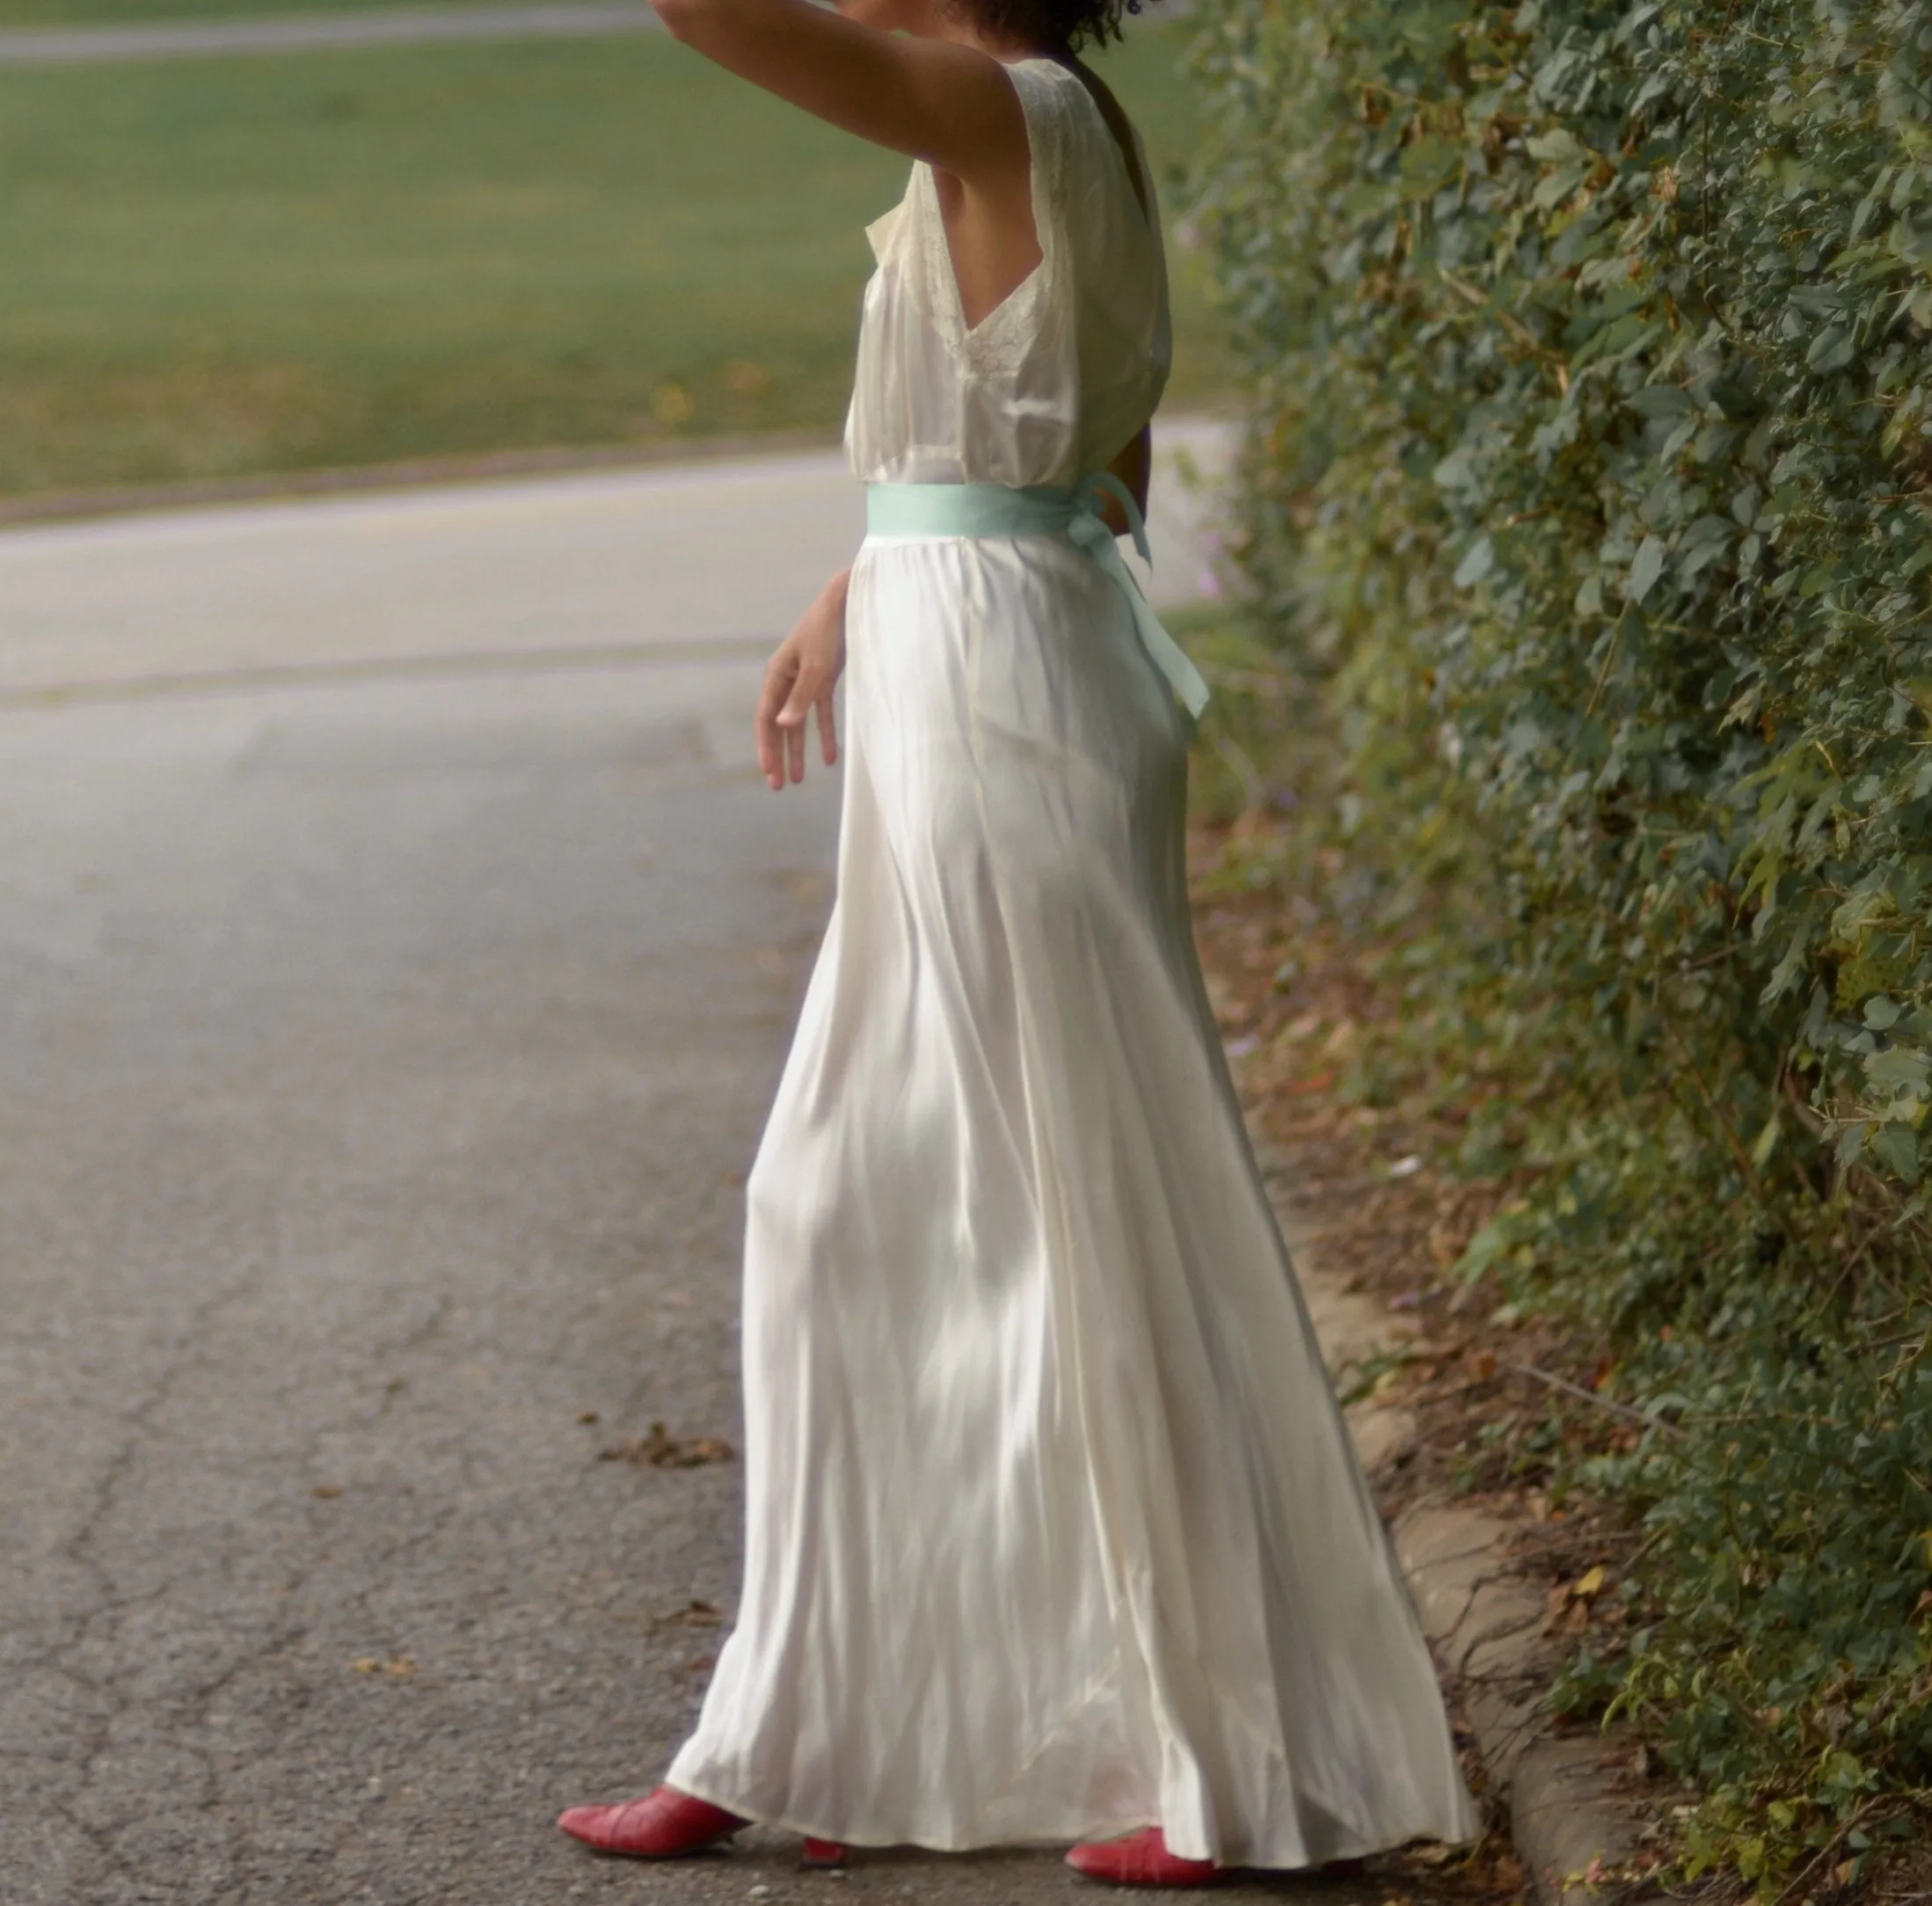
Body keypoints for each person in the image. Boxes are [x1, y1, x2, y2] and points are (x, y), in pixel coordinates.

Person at [557, 0, 1480, 1886]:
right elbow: (1095, 463)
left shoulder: (997, 105)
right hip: (986, 665)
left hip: (1005, 707)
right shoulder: (1056, 133)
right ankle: (811, 1729)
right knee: (850, 1202)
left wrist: (922, 576)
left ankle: (1217, 1763)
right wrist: (866, 575)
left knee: (1068, 1205)